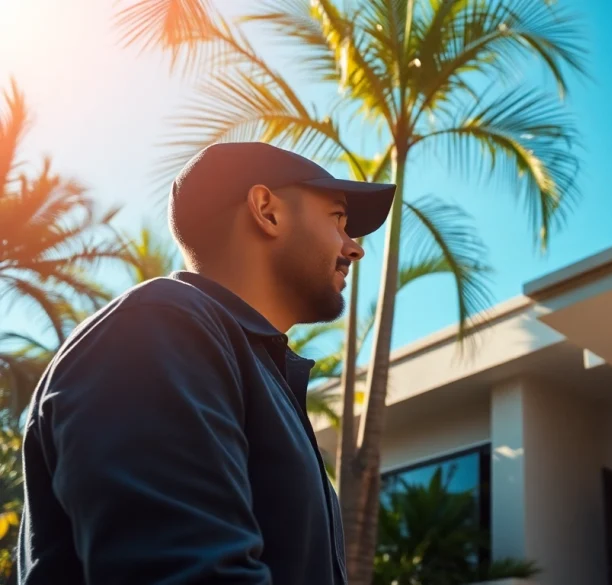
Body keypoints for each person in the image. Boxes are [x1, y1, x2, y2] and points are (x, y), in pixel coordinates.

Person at [16, 142, 396, 585]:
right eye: (338, 219)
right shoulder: (158, 329)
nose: (355, 249)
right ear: (266, 210)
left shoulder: (241, 363)